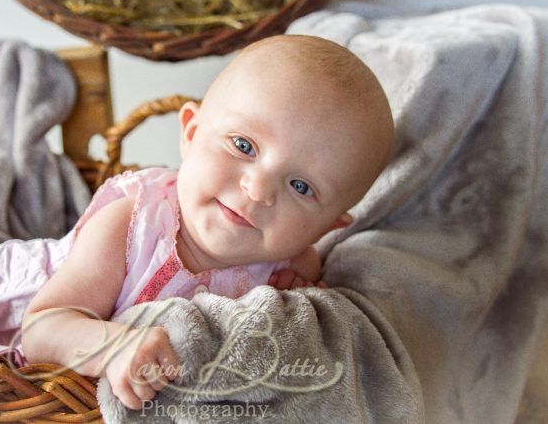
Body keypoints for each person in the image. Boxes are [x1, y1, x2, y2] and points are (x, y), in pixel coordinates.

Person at [21, 34, 395, 411]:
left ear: (328, 227)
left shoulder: (292, 268)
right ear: (191, 132)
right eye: (244, 146)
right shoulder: (134, 224)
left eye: (300, 186)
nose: (257, 189)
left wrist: (295, 306)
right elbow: (40, 328)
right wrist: (112, 347)